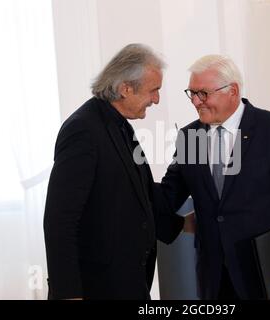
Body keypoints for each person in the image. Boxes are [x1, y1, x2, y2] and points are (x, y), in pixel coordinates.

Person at [160, 55, 270, 300]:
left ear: (232, 91)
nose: (195, 101)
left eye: (203, 93)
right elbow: (168, 195)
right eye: (191, 93)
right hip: (216, 280)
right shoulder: (189, 136)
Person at [43, 44, 185, 300]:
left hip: (126, 284)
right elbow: (59, 220)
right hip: (95, 288)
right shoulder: (83, 130)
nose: (156, 99)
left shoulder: (119, 125)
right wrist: (68, 294)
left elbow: (142, 192)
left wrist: (184, 224)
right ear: (125, 88)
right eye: (153, 90)